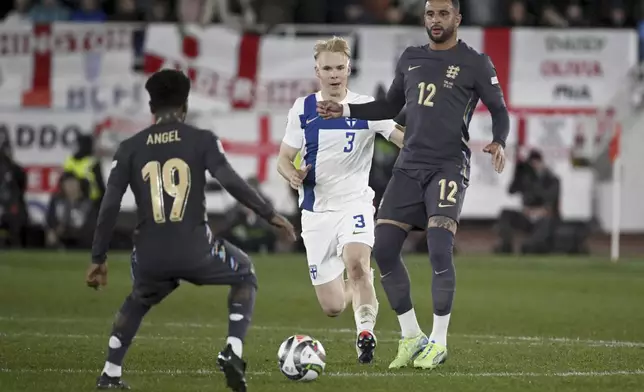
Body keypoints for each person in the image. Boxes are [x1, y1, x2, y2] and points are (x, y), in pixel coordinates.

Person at [316, 0, 509, 370]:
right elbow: (389, 107)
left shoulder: (476, 63)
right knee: (384, 249)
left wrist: (499, 140)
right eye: (430, 14)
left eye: (443, 14)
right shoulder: (409, 58)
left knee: (439, 246)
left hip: (448, 165)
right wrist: (346, 110)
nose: (435, 21)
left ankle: (438, 341)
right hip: (409, 166)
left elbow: (499, 110)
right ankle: (411, 336)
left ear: (458, 18)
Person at [85, 69, 296, 391]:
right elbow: (229, 181)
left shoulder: (129, 148)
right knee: (243, 272)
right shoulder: (201, 139)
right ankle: (233, 351)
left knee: (138, 300)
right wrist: (270, 214)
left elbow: (109, 206)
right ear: (184, 106)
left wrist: (98, 257)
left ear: (152, 108)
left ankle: (110, 373)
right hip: (196, 248)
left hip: (150, 254)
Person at [277, 37, 404, 364]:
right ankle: (359, 283)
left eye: (340, 67)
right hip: (316, 213)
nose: (334, 74)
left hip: (355, 204)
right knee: (333, 306)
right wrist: (292, 175)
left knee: (357, 264)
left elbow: (400, 136)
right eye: (327, 68)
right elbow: (284, 158)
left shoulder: (367, 107)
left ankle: (365, 334)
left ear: (349, 68)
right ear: (317, 70)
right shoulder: (302, 109)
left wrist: (431, 144)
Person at [495, 149, 560, 254]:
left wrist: (538, 211)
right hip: (527, 215)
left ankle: (532, 246)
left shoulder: (552, 180)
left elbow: (550, 202)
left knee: (545, 223)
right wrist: (517, 174)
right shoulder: (526, 178)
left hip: (544, 216)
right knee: (505, 214)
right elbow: (511, 191)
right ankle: (506, 245)